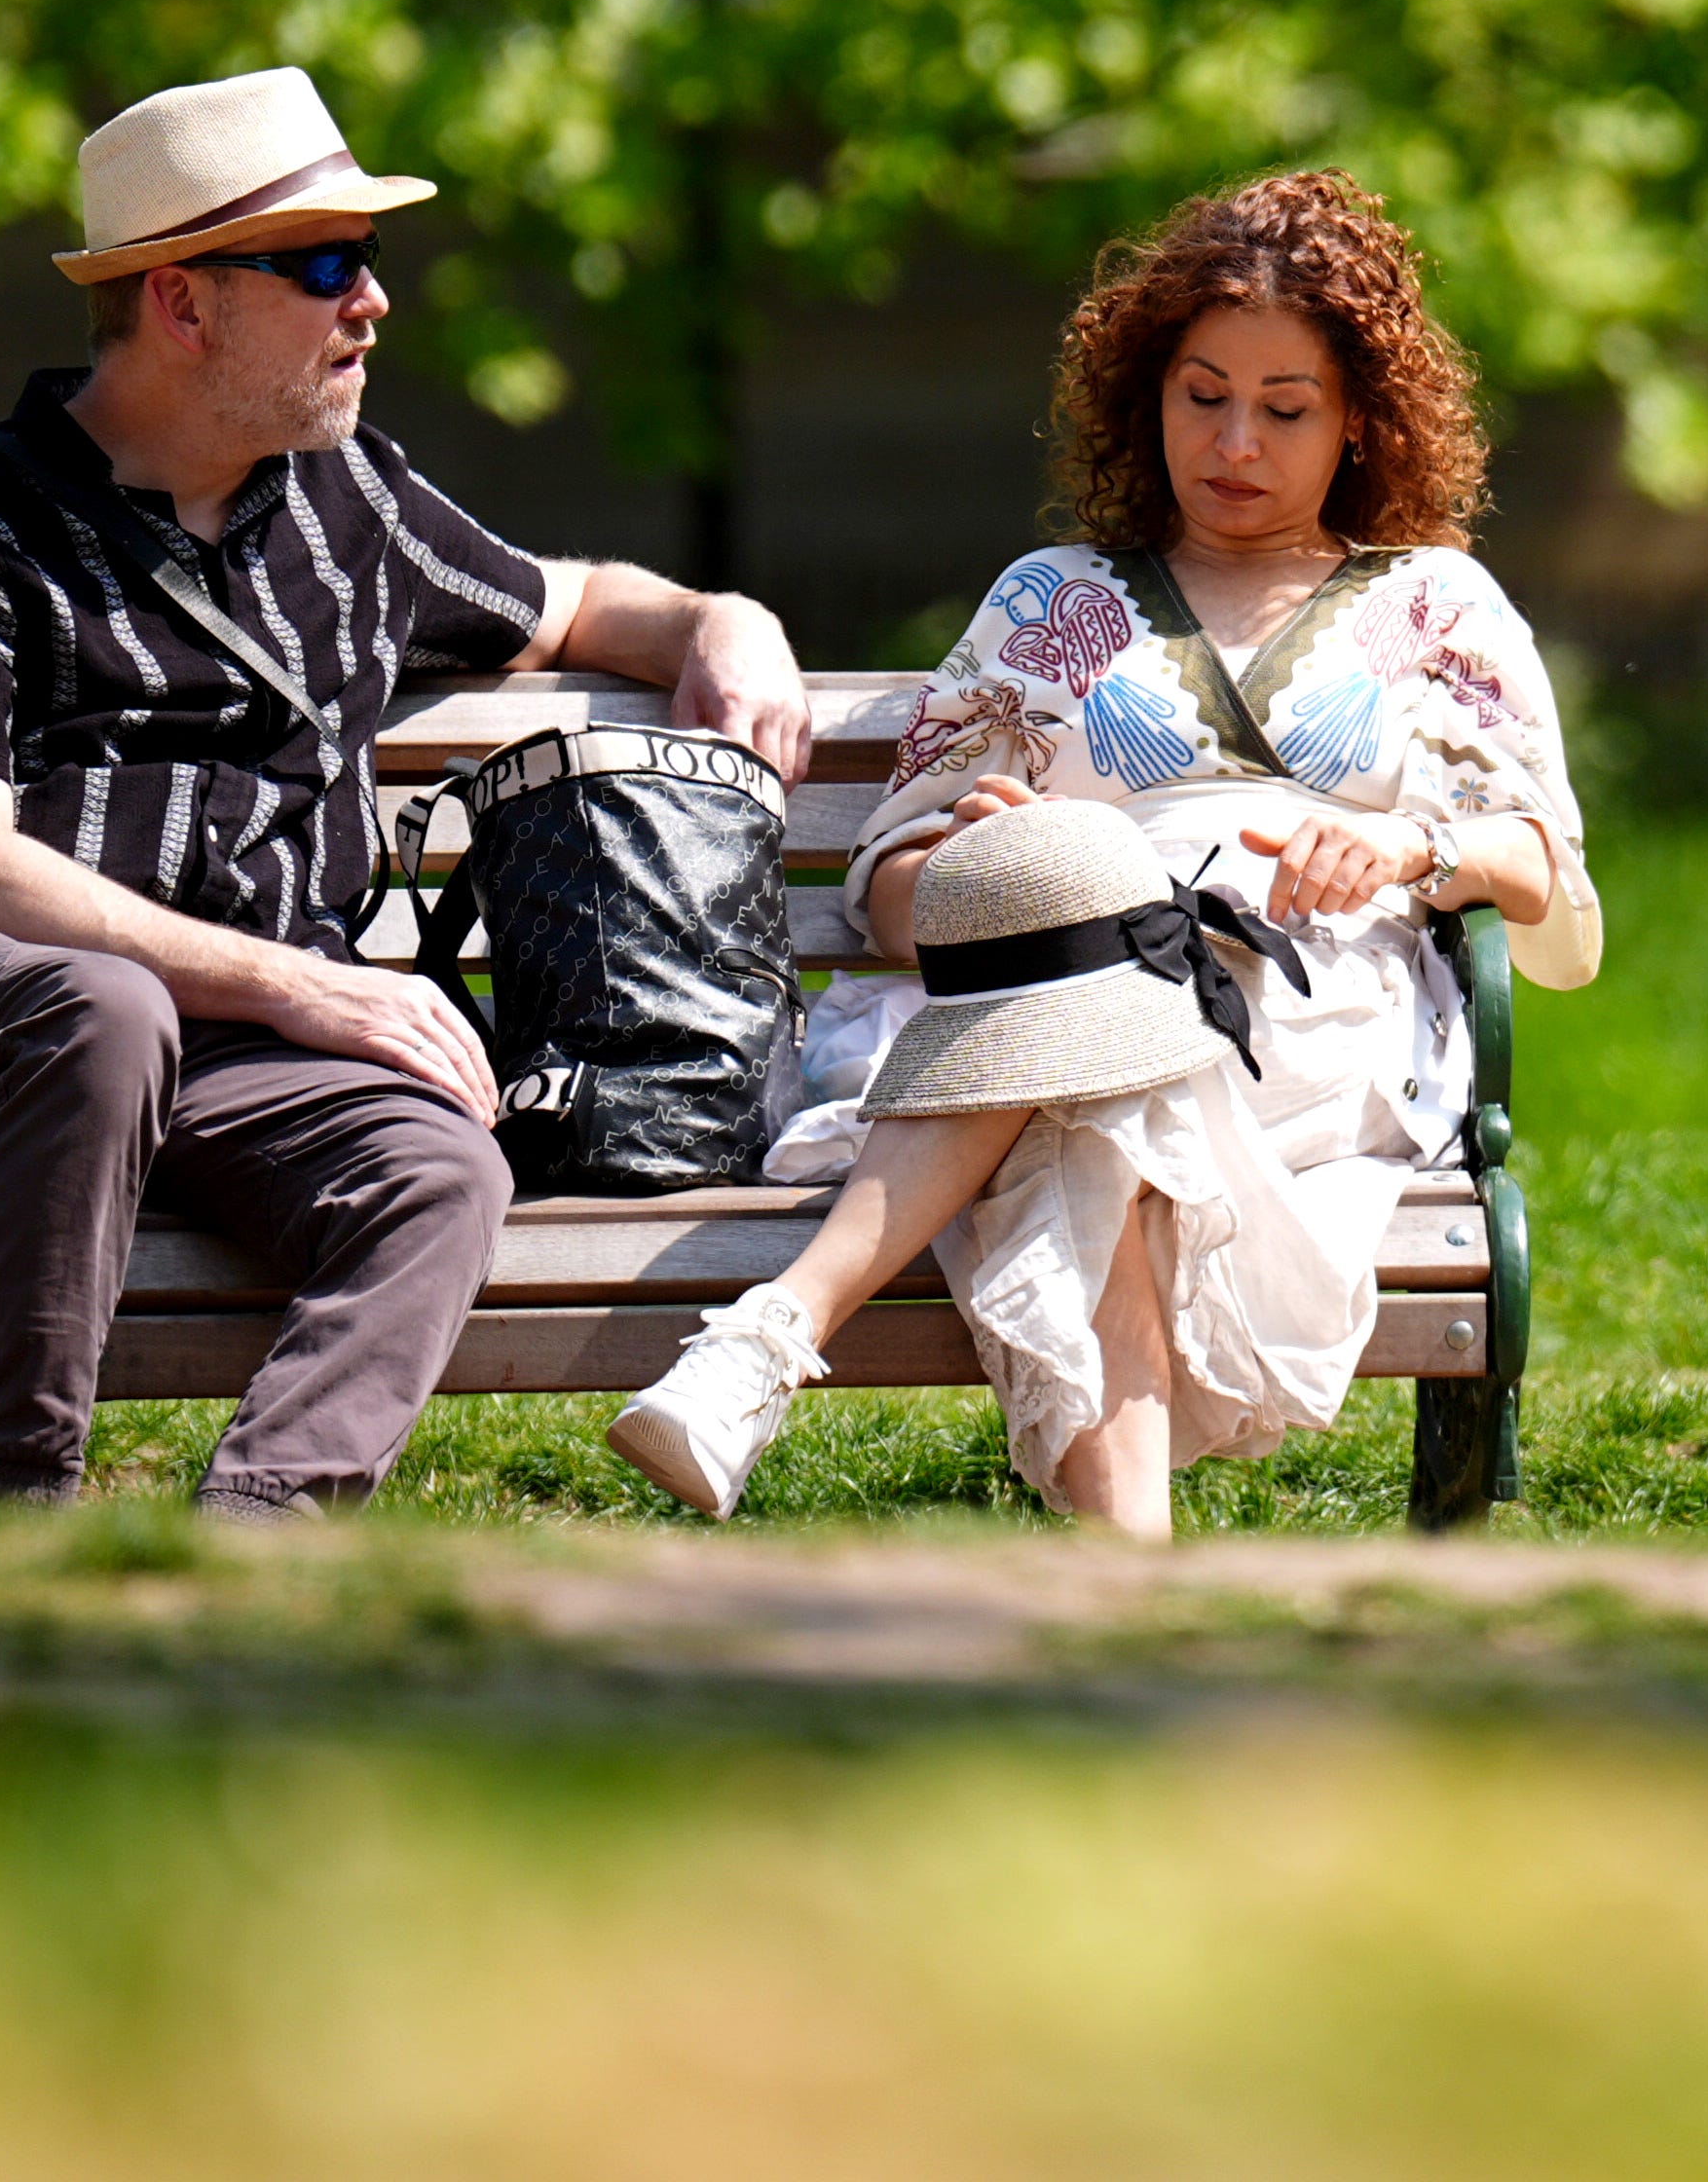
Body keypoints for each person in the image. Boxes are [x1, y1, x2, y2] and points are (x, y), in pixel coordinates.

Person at [0, 66, 814, 1513]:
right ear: (182, 301)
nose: (373, 303)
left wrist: (726, 623)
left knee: (443, 1168)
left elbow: (578, 603)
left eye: (370, 259)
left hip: (227, 1066)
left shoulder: (355, 510)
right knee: (104, 1008)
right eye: (324, 263)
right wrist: (297, 985)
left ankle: (251, 1558)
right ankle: (3, 1535)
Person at [610, 169, 1599, 1534]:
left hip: (1312, 1033)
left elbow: (1540, 866)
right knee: (1095, 1027)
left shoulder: (1434, 603)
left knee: (1091, 1071)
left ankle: (774, 1337)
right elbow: (889, 891)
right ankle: (1127, 1601)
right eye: (1202, 395)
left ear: (1361, 417)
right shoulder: (1053, 602)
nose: (1234, 441)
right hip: (1060, 1000)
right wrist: (982, 865)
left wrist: (1402, 848)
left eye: (1284, 407)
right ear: (1149, 393)